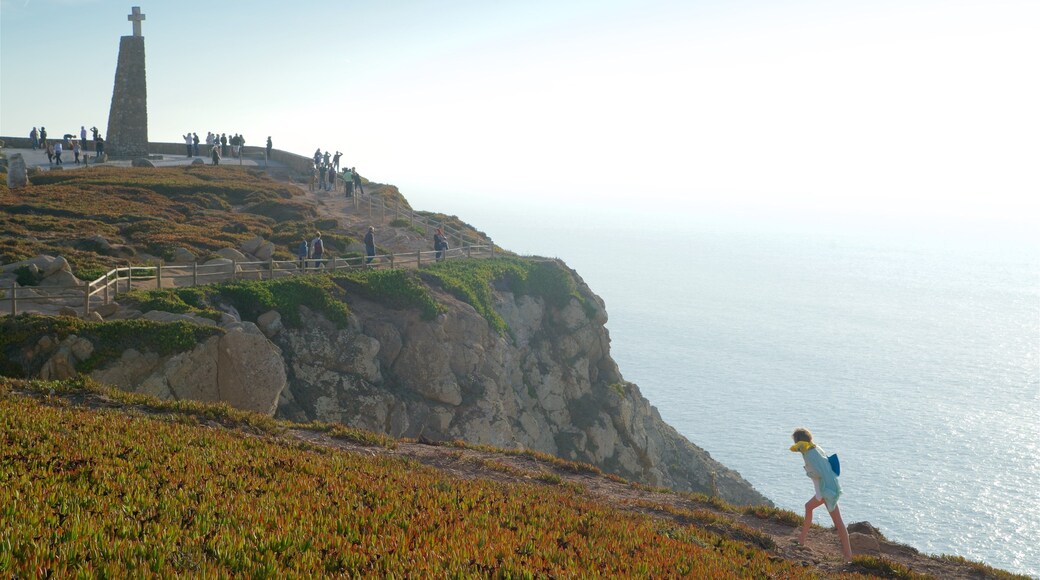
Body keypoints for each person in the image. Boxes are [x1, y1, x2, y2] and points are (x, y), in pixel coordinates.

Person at [790, 428, 853, 561]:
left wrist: (807, 472)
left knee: (812, 509)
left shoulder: (809, 453)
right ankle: (848, 555)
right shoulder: (816, 448)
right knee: (836, 521)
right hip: (830, 488)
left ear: (799, 441)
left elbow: (818, 473)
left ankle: (802, 540)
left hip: (825, 491)